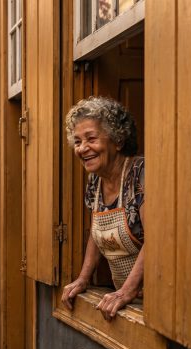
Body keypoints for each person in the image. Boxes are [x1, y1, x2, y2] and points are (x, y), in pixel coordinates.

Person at [60, 96, 145, 321]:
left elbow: (157, 241)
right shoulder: (95, 181)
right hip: (125, 302)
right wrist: (83, 279)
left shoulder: (140, 173)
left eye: (91, 138)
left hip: (154, 303)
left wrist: (127, 291)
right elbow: (96, 234)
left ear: (117, 141)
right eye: (77, 141)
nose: (82, 148)